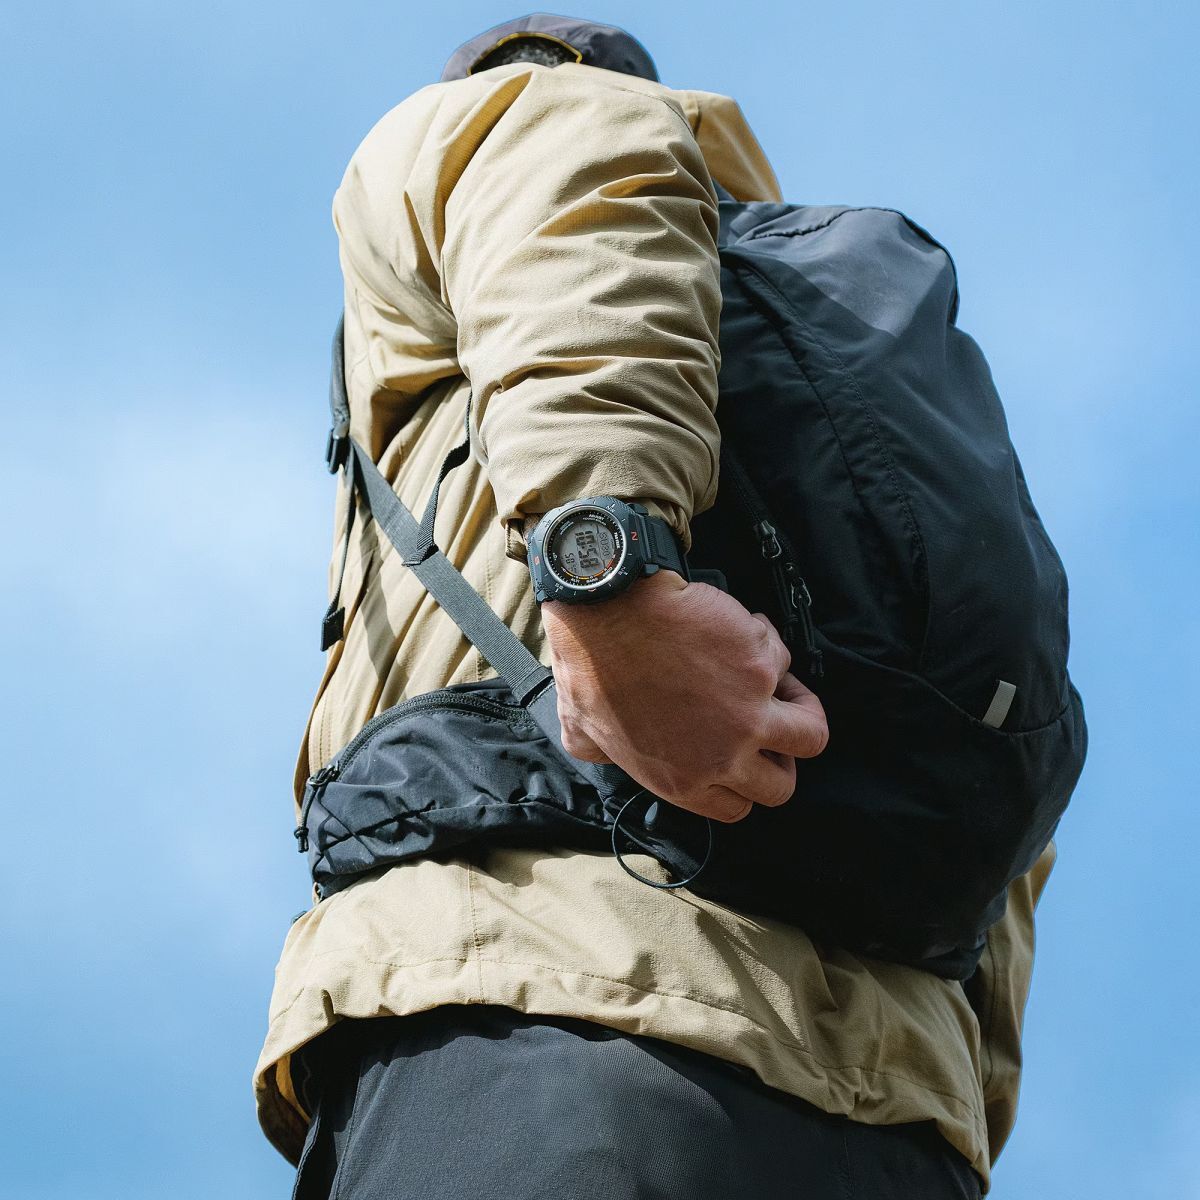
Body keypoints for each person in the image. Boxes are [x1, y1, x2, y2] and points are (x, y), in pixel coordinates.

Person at [255, 15, 1054, 1197]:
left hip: (544, 1018)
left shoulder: (526, 118)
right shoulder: (890, 420)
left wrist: (607, 579)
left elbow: (564, 183)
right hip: (898, 1131)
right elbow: (1002, 814)